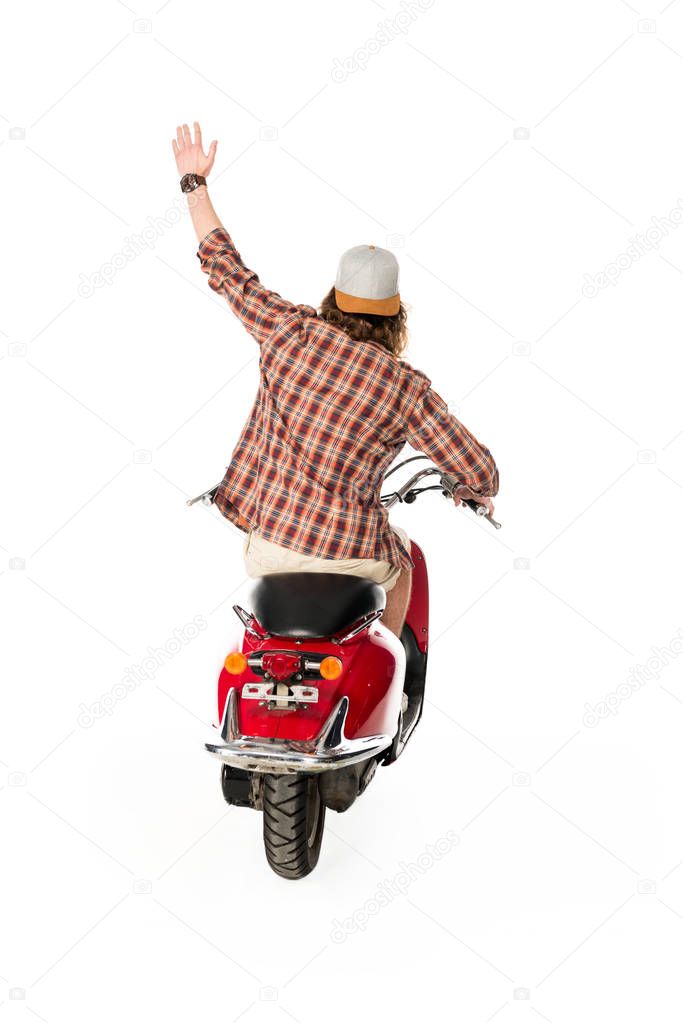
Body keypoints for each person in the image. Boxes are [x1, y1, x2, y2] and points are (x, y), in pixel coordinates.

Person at [172, 123, 499, 639]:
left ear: (334, 299)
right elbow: (480, 470)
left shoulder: (288, 330)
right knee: (403, 564)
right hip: (354, 554)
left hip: (269, 545)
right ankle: (390, 675)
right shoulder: (404, 387)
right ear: (395, 318)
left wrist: (195, 184)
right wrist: (472, 489)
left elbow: (226, 269)